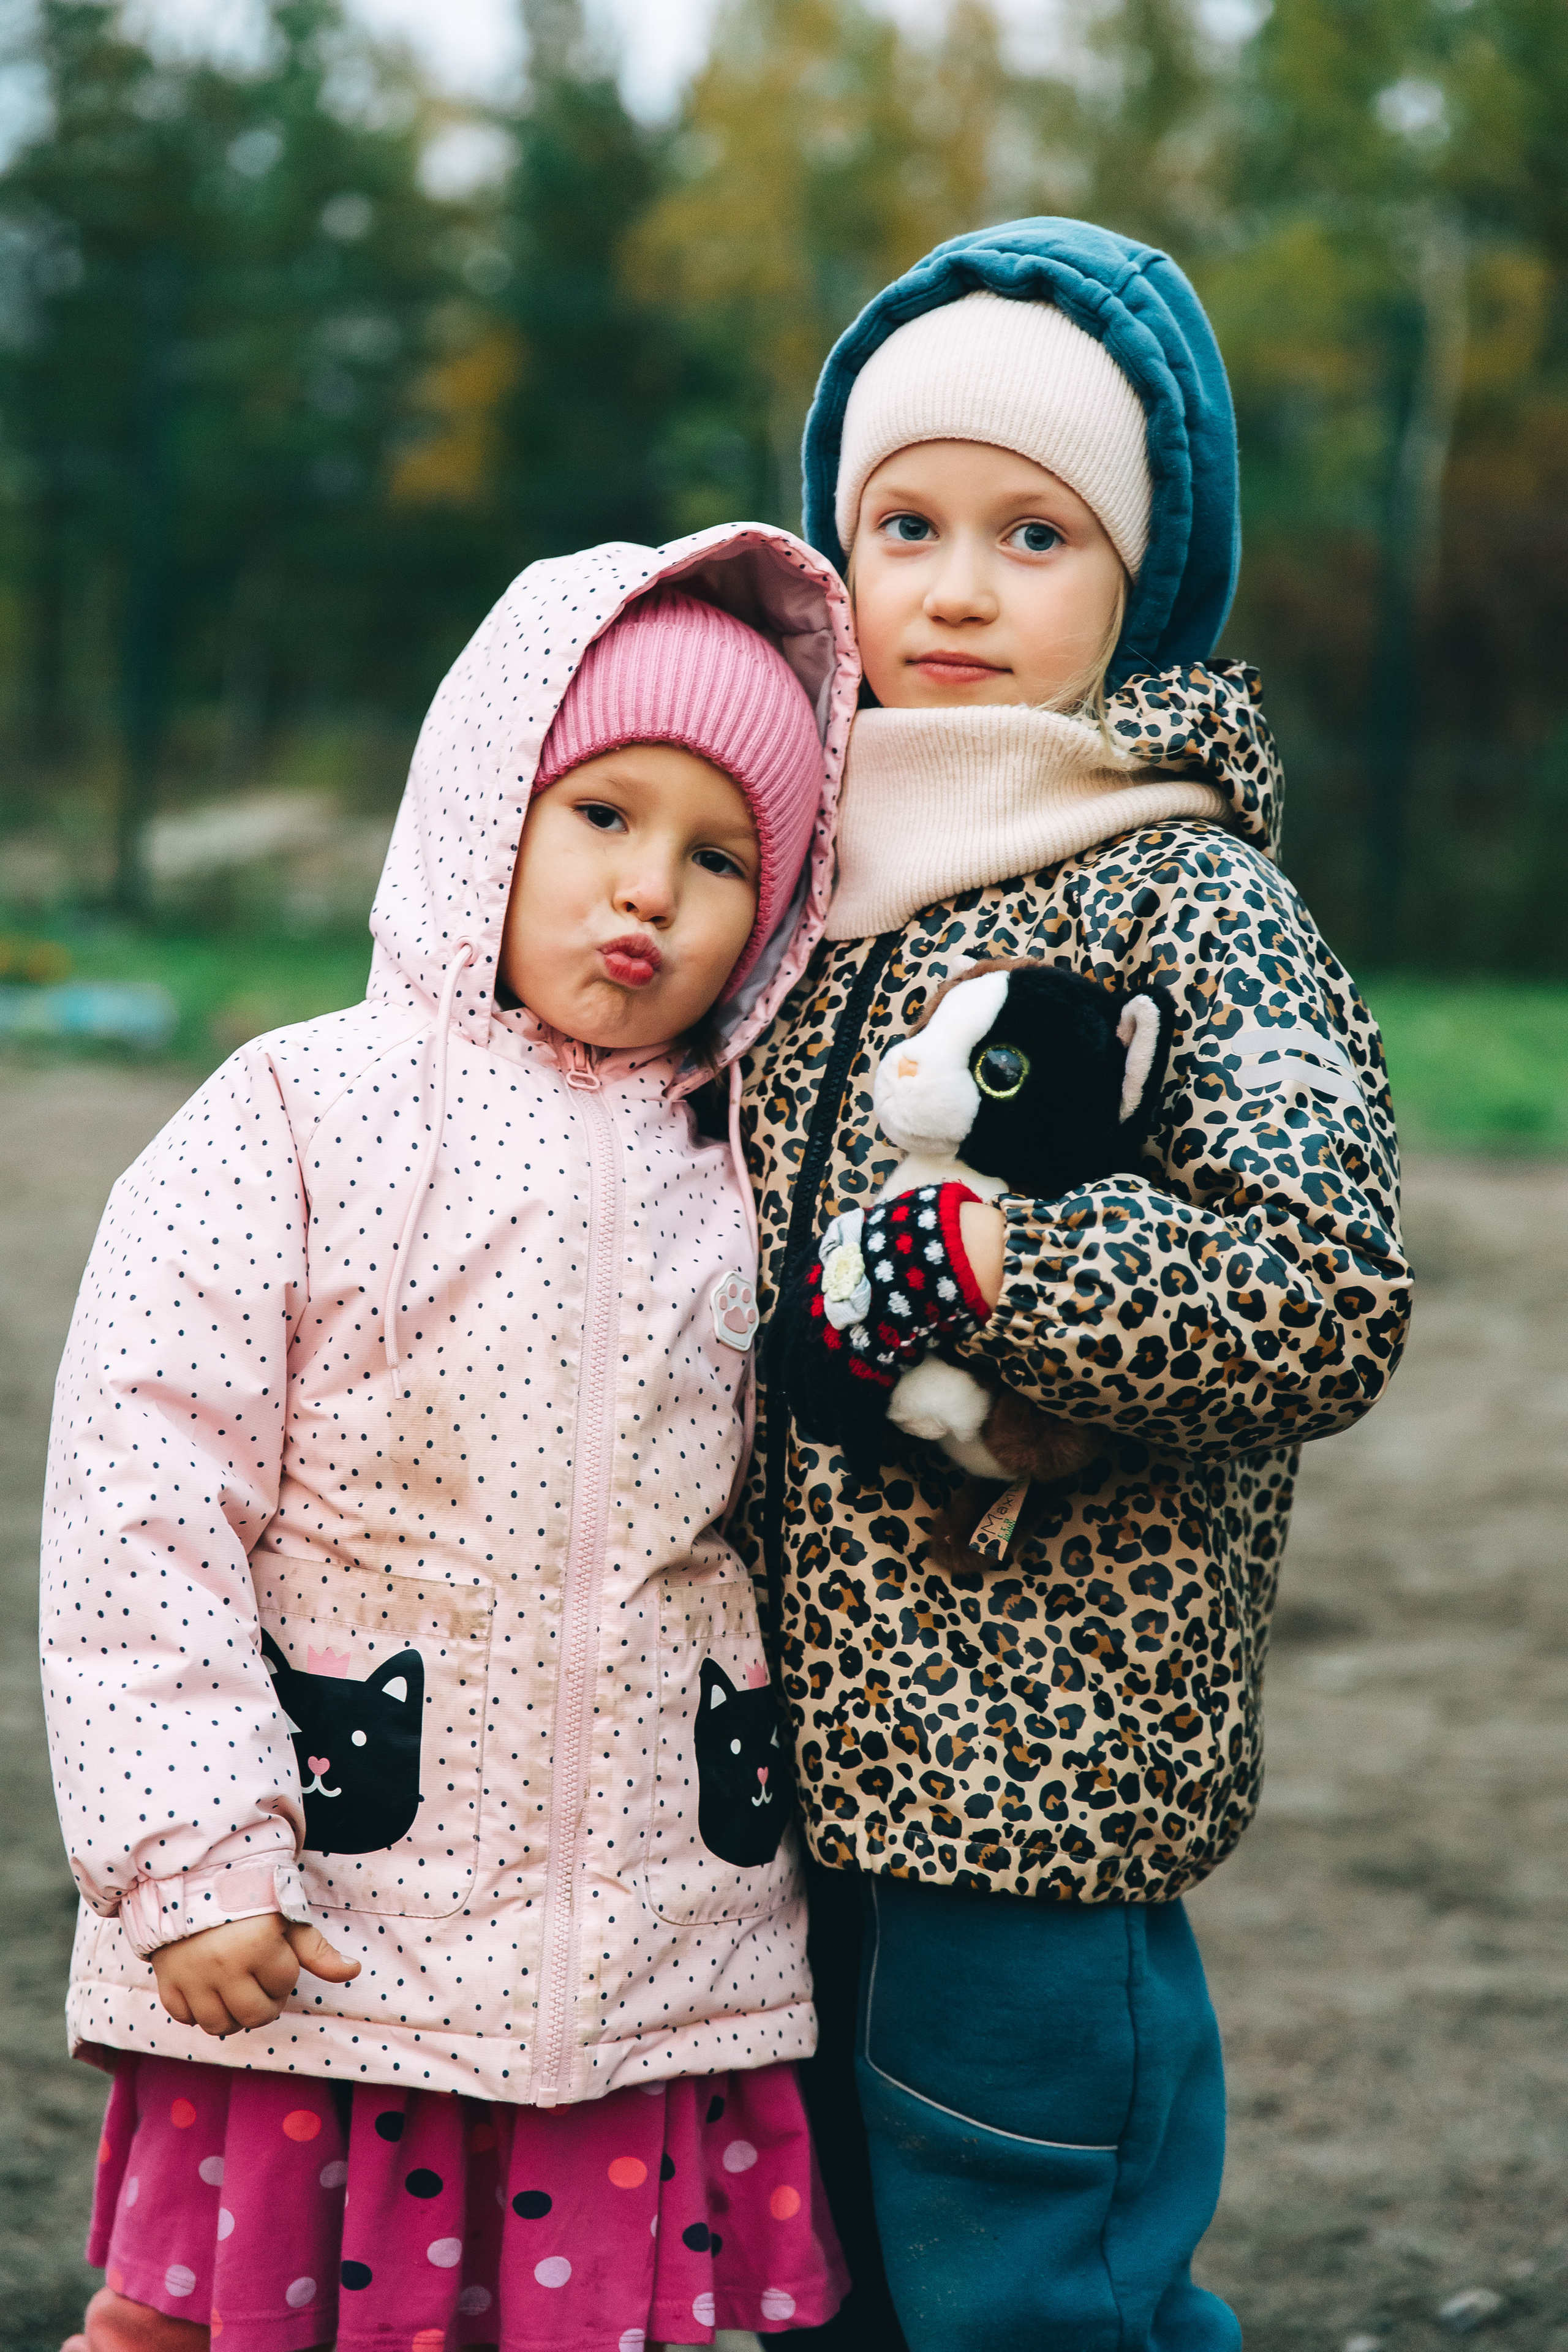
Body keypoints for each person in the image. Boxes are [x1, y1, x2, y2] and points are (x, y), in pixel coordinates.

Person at [41, 527, 862, 2352]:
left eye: (721, 856)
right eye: (602, 814)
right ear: (489, 798)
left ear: (783, 910)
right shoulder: (297, 1117)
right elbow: (142, 1491)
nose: (649, 889)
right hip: (319, 1922)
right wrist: (191, 1848)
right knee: (201, 2325)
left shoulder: (746, 1171)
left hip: (643, 1956)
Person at [738, 219, 1414, 2351]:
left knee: (1036, 2287)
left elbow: (1321, 1287)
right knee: (812, 2291)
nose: (955, 586)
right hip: (738, 1783)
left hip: (1034, 1790)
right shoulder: (781, 876)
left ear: (1141, 576)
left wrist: (1002, 1260)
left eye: (1036, 532)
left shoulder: (1193, 898)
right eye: (906, 523)